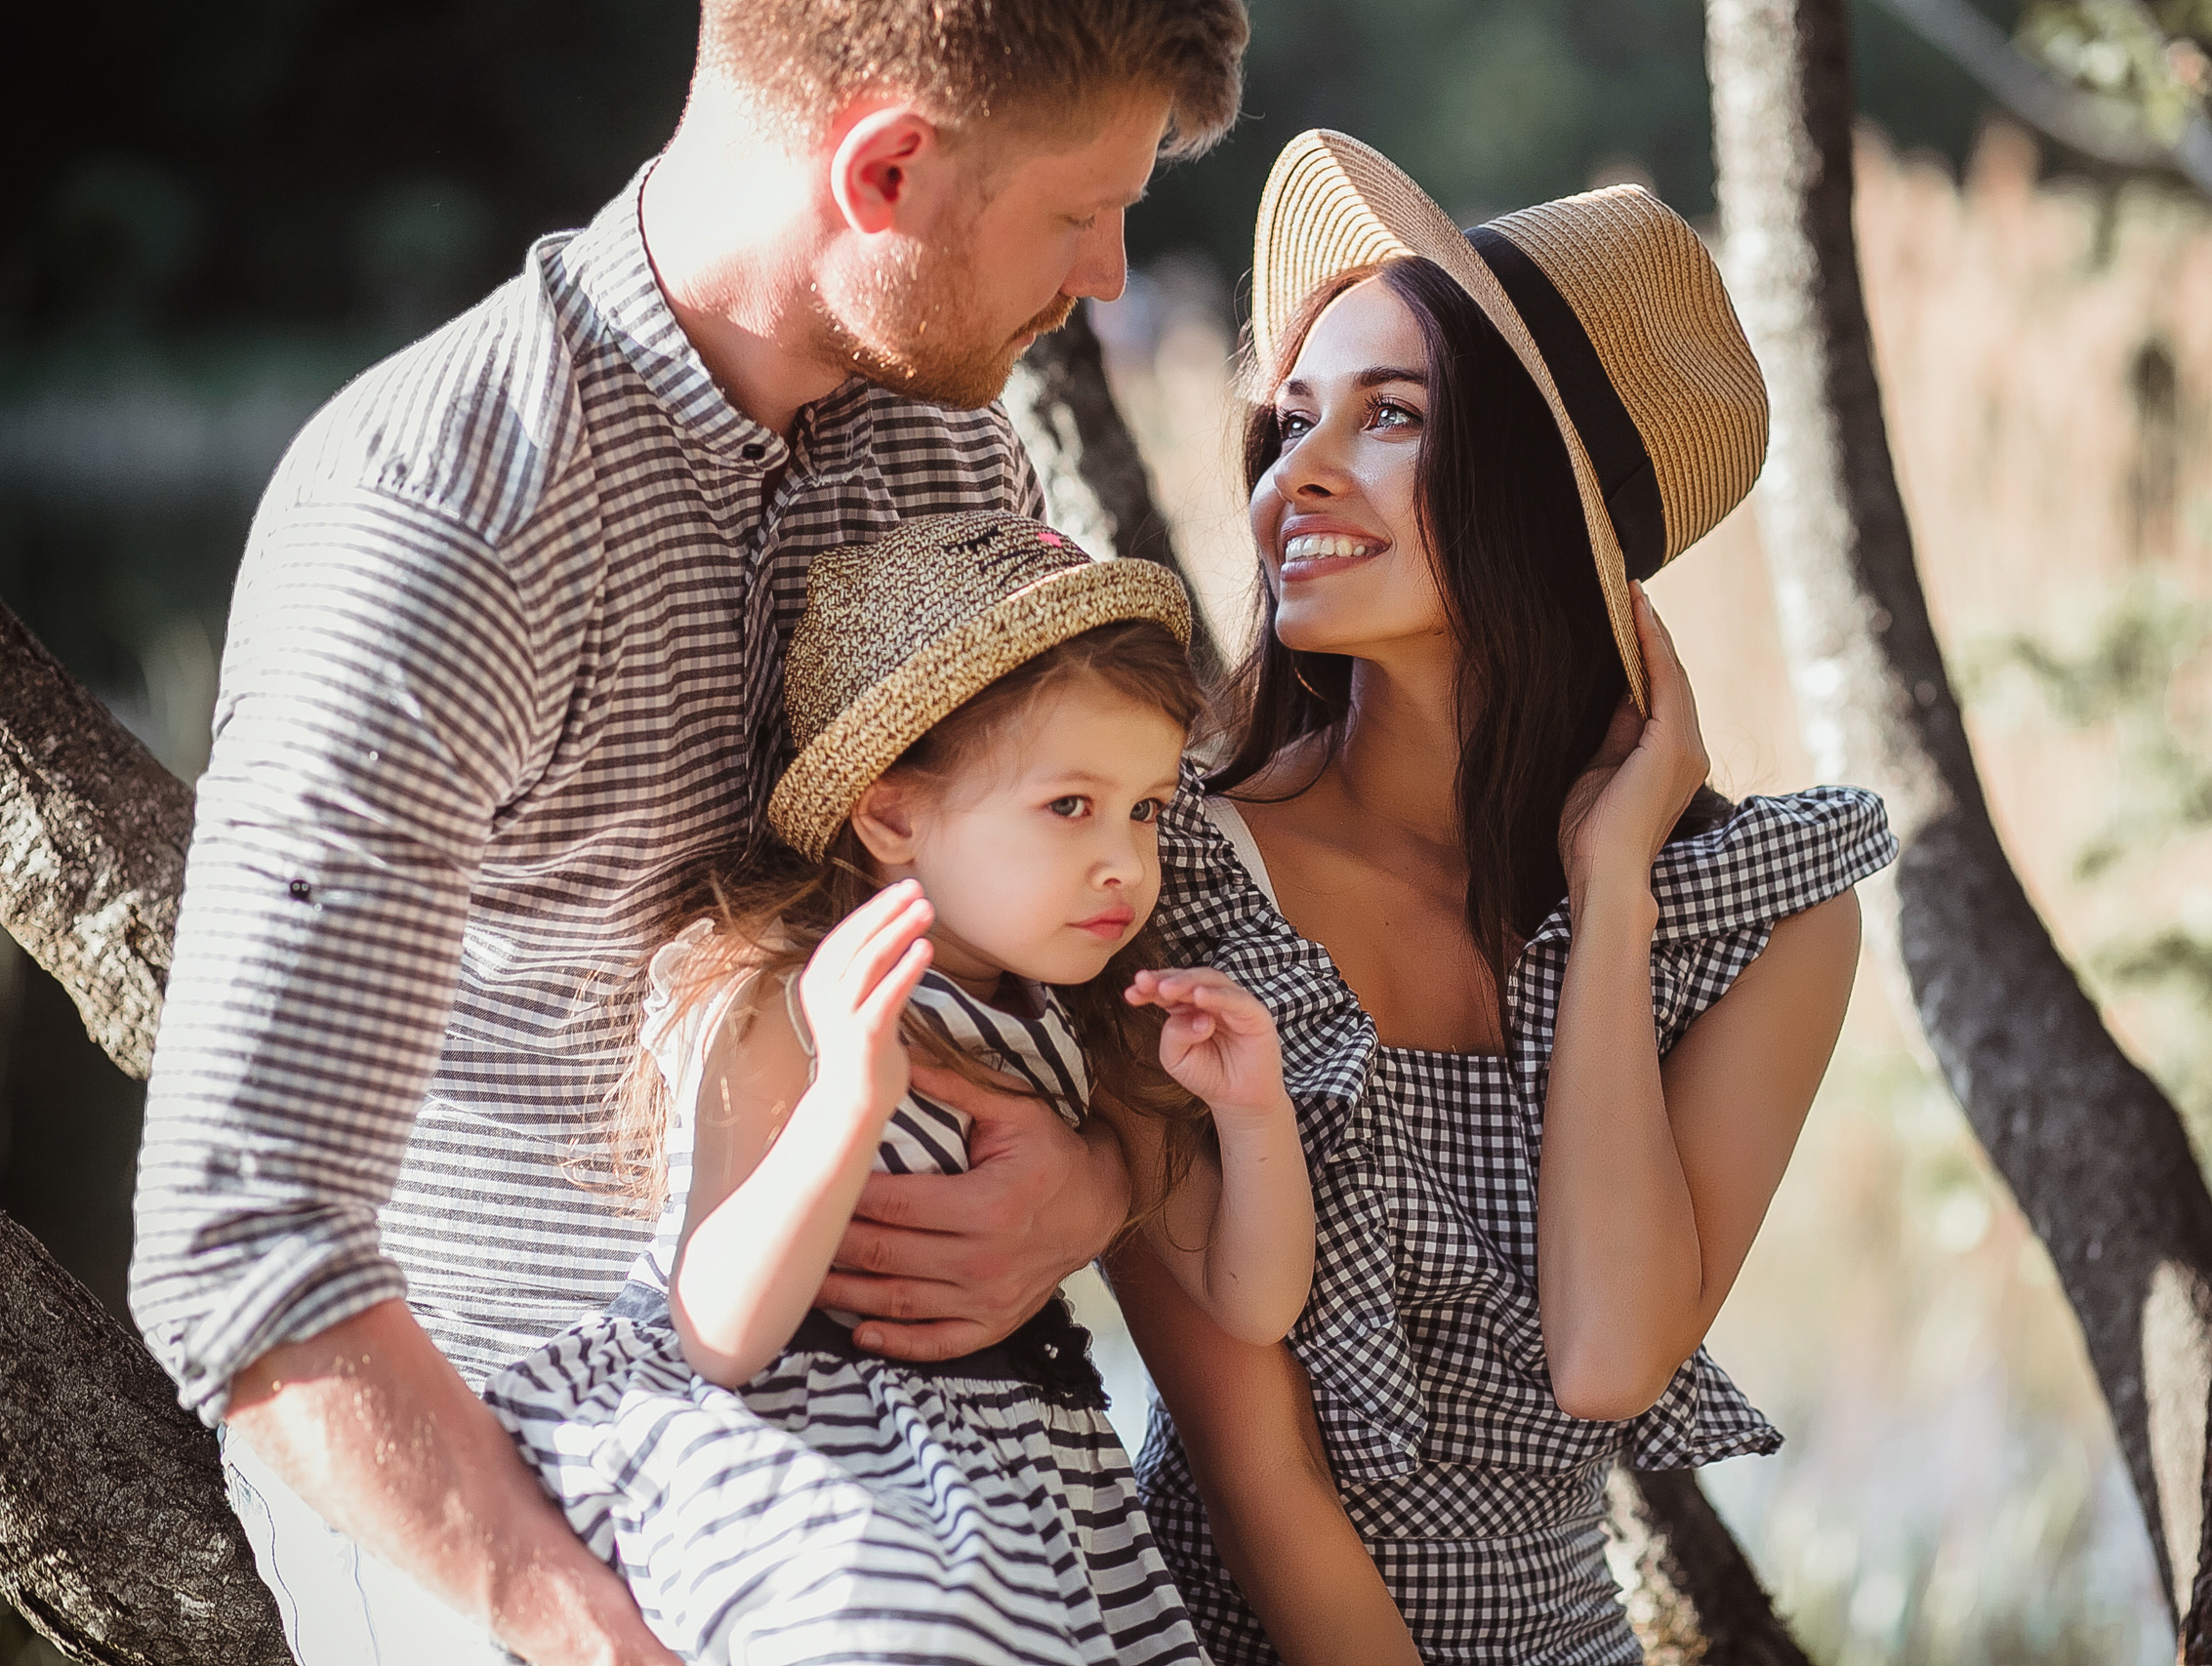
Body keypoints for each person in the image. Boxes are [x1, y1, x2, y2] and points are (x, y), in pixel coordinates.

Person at [126, 6, 1249, 1662]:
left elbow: (1192, 932)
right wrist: (577, 1624)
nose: (1106, 273)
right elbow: (242, 1239)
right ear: (883, 172)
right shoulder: (449, 517)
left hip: (928, 1468)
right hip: (531, 1481)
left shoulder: (948, 454)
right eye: (1082, 212)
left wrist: (1104, 1171)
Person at [1110, 132, 1900, 1663]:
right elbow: (1259, 1477)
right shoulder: (1169, 870)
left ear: (1544, 504)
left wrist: (1610, 902)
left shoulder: (1764, 918)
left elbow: (1609, 1353)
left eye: (1391, 416)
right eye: (1291, 421)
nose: (1297, 478)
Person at [483, 512, 1313, 1665]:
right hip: (808, 1465)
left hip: (1023, 1501)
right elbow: (717, 1330)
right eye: (1069, 805)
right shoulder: (785, 992)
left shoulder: (1089, 1027)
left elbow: (1254, 1304)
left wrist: (1252, 1108)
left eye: (1145, 808)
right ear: (889, 813)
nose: (1124, 859)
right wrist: (843, 1110)